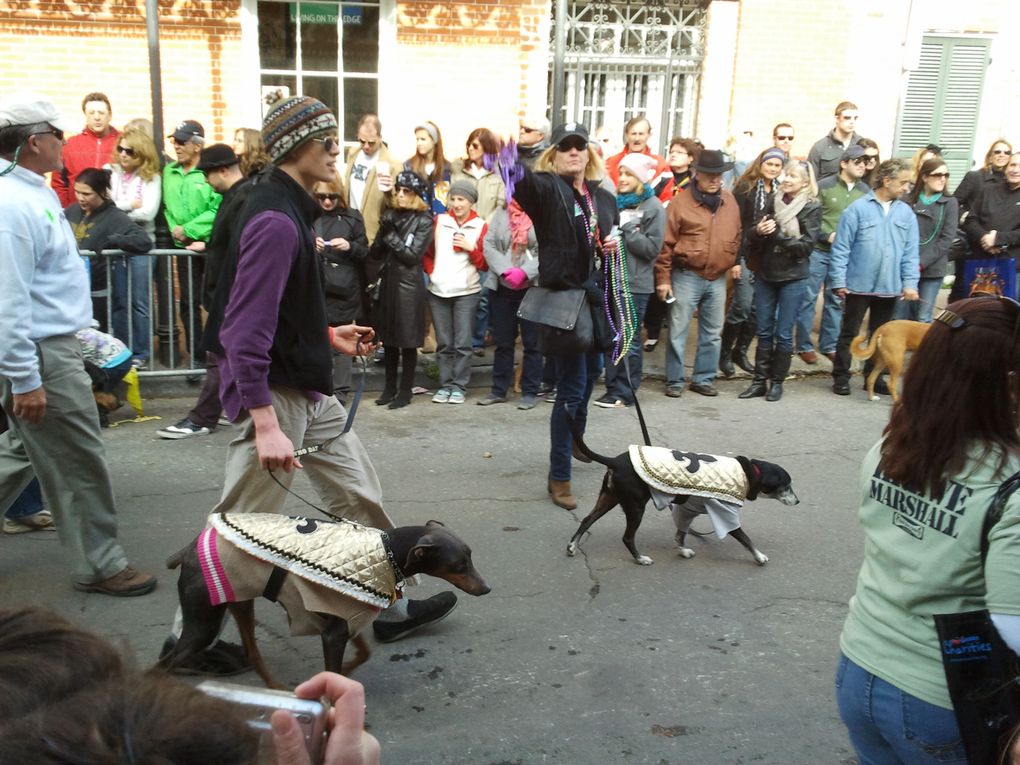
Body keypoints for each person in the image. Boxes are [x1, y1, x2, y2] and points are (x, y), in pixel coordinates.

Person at [200, 96, 454, 649]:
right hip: (277, 397)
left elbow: (279, 309)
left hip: (308, 392)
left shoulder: (289, 206)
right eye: (329, 141)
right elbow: (242, 327)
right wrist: (263, 420)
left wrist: (324, 337)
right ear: (300, 146)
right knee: (239, 530)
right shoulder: (272, 215)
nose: (337, 151)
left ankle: (385, 606)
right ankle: (189, 642)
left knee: (358, 496)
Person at [836, 296, 1020, 765]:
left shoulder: (894, 441)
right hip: (943, 698)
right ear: (1007, 386)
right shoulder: (1009, 482)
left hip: (859, 666)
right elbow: (1012, 623)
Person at [0, 93, 156, 596]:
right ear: (33, 142)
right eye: (56, 133)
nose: (63, 143)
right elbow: (10, 299)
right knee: (79, 460)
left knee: (19, 451)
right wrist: (26, 377)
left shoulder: (29, 192)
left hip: (50, 346)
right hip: (42, 353)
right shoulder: (14, 202)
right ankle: (100, 564)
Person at [512, 122, 617, 510]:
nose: (574, 152)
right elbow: (520, 182)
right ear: (553, 154)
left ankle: (577, 440)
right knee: (571, 390)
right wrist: (508, 154)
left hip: (597, 299)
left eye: (580, 146)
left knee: (591, 377)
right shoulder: (547, 189)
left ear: (589, 153)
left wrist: (609, 246)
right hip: (565, 303)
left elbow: (608, 239)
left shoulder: (602, 197)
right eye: (566, 147)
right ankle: (559, 475)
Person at [157, 144, 248, 440]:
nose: (206, 182)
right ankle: (228, 408)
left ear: (223, 170)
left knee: (219, 354)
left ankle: (203, 417)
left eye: (208, 175)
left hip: (233, 292)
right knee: (222, 354)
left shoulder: (242, 199)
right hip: (227, 290)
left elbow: (242, 245)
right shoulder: (234, 197)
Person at [656, 149, 742, 398]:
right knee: (678, 330)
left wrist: (732, 259)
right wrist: (663, 280)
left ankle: (703, 378)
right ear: (697, 173)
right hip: (686, 275)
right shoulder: (680, 203)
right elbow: (665, 245)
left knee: (713, 333)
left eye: (719, 174)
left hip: (717, 277)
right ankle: (674, 380)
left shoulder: (730, 201)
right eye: (710, 174)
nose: (716, 179)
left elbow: (737, 234)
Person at [830, 158, 920, 396]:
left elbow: (911, 252)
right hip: (858, 285)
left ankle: (874, 376)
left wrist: (910, 284)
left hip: (889, 287)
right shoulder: (857, 209)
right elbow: (841, 248)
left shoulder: (906, 213)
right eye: (902, 182)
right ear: (886, 180)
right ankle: (841, 375)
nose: (906, 188)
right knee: (849, 332)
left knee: (880, 334)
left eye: (908, 183)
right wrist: (839, 281)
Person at [739, 160, 821, 402]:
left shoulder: (811, 207)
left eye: (793, 176)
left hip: (793, 276)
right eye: (786, 174)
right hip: (766, 273)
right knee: (763, 331)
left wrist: (777, 235)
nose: (786, 179)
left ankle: (777, 383)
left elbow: (806, 247)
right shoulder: (774, 200)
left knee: (783, 333)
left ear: (805, 182)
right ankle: (758, 382)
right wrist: (758, 231)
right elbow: (753, 234)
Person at [593, 153, 666, 408]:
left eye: (628, 174)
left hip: (634, 284)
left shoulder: (653, 206)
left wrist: (626, 232)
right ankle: (613, 387)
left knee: (628, 339)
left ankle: (625, 391)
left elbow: (651, 249)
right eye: (620, 173)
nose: (622, 178)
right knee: (611, 337)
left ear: (640, 178)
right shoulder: (617, 203)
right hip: (611, 280)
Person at [794, 145, 871, 364]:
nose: (862, 166)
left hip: (845, 256)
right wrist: (825, 235)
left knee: (836, 300)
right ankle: (803, 344)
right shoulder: (824, 186)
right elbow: (807, 218)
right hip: (819, 251)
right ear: (844, 163)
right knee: (808, 298)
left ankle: (828, 345)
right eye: (857, 161)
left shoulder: (865, 192)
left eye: (865, 162)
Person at [64, 166, 154, 338]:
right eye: (77, 192)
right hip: (71, 286)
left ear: (102, 192)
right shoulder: (72, 210)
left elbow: (144, 241)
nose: (80, 198)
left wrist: (116, 239)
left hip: (98, 290)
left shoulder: (115, 217)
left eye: (87, 194)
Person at [369, 171, 433, 409]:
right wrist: (381, 233)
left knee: (407, 340)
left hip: (408, 285)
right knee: (388, 339)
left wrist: (391, 235)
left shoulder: (424, 220)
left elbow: (412, 256)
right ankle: (389, 388)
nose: (401, 195)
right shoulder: (390, 215)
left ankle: (405, 390)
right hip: (388, 282)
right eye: (399, 190)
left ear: (416, 195)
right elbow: (375, 253)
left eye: (407, 191)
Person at [720, 148, 785, 378]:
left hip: (768, 257)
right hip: (746, 252)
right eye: (770, 164)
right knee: (742, 305)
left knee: (758, 310)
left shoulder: (781, 191)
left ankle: (741, 351)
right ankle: (724, 353)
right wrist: (735, 261)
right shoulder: (745, 188)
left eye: (778, 166)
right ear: (761, 163)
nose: (773, 169)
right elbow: (734, 225)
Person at [162, 119, 222, 357]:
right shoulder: (170, 171)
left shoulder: (211, 170)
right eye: (174, 141)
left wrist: (190, 229)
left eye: (182, 142)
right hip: (184, 248)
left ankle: (218, 354)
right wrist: (177, 230)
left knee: (216, 301)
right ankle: (197, 357)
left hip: (210, 246)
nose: (176, 146)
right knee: (188, 302)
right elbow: (167, 207)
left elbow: (217, 207)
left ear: (197, 146)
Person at [426, 180, 487, 405]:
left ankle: (459, 386)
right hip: (439, 290)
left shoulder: (481, 225)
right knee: (444, 342)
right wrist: (432, 273)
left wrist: (472, 250)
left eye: (461, 199)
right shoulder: (440, 221)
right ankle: (445, 385)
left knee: (463, 342)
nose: (456, 203)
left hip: (467, 291)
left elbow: (485, 264)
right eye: (453, 199)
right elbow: (428, 252)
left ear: (471, 201)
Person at [479, 197, 541, 409]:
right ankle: (499, 389)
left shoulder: (542, 212)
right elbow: (488, 244)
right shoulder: (501, 214)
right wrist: (506, 269)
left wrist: (525, 272)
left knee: (532, 343)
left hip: (532, 286)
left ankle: (530, 391)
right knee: (503, 341)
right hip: (503, 285)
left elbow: (548, 250)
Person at [314, 173, 369, 405]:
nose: (327, 202)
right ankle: (321, 387)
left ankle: (341, 391)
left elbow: (365, 251)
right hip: (318, 285)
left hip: (345, 285)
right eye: (322, 197)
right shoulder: (310, 216)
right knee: (320, 338)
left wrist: (350, 246)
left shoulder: (352, 218)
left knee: (344, 338)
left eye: (332, 197)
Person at [642, 137, 701, 354]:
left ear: (691, 158)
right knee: (655, 285)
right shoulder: (662, 178)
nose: (673, 154)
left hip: (683, 241)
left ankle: (668, 329)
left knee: (673, 287)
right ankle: (653, 331)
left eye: (680, 152)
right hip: (658, 237)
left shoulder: (695, 183)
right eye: (672, 151)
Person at [108, 127, 160, 364]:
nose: (124, 154)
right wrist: (130, 204)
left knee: (140, 302)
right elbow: (105, 207)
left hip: (142, 246)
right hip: (116, 243)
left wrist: (117, 209)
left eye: (130, 151)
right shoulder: (109, 172)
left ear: (142, 153)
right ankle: (121, 352)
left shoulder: (152, 177)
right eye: (121, 149)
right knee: (119, 300)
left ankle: (141, 353)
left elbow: (148, 212)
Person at [895, 157, 957, 323]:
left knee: (923, 317)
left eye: (946, 175)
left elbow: (947, 239)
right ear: (924, 177)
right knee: (899, 316)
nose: (942, 178)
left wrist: (921, 263)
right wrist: (910, 264)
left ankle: (922, 350)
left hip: (932, 270)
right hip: (905, 268)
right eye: (937, 175)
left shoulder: (950, 203)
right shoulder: (906, 201)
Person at [51, 92, 119, 208]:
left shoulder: (122, 144)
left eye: (101, 113)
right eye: (91, 113)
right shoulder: (70, 144)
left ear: (110, 115)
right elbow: (59, 183)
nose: (97, 117)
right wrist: (68, 211)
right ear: (86, 115)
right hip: (78, 214)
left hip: (114, 213)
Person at [344, 114, 398, 244]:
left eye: (371, 142)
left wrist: (390, 191)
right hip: (349, 228)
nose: (366, 146)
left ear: (380, 138)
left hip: (372, 234)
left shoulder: (393, 165)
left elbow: (397, 206)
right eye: (362, 141)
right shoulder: (353, 153)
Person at [961, 150, 1020, 263]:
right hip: (980, 259)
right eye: (1012, 165)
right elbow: (970, 220)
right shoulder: (988, 190)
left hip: (1013, 265)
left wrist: (998, 239)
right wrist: (984, 237)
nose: (1015, 170)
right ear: (1006, 168)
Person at [603, 115, 672, 202]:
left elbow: (666, 199)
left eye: (641, 134)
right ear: (626, 135)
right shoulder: (610, 163)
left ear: (649, 135)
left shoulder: (660, 165)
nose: (637, 138)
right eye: (633, 134)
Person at [808, 101, 862, 181]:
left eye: (855, 118)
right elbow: (810, 181)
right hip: (826, 192)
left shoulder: (862, 144)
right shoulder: (819, 147)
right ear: (837, 119)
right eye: (847, 118)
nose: (852, 122)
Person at [404, 120, 450, 214]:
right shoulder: (409, 166)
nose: (419, 143)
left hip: (440, 222)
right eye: (417, 139)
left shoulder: (448, 169)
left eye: (423, 139)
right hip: (417, 223)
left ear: (434, 141)